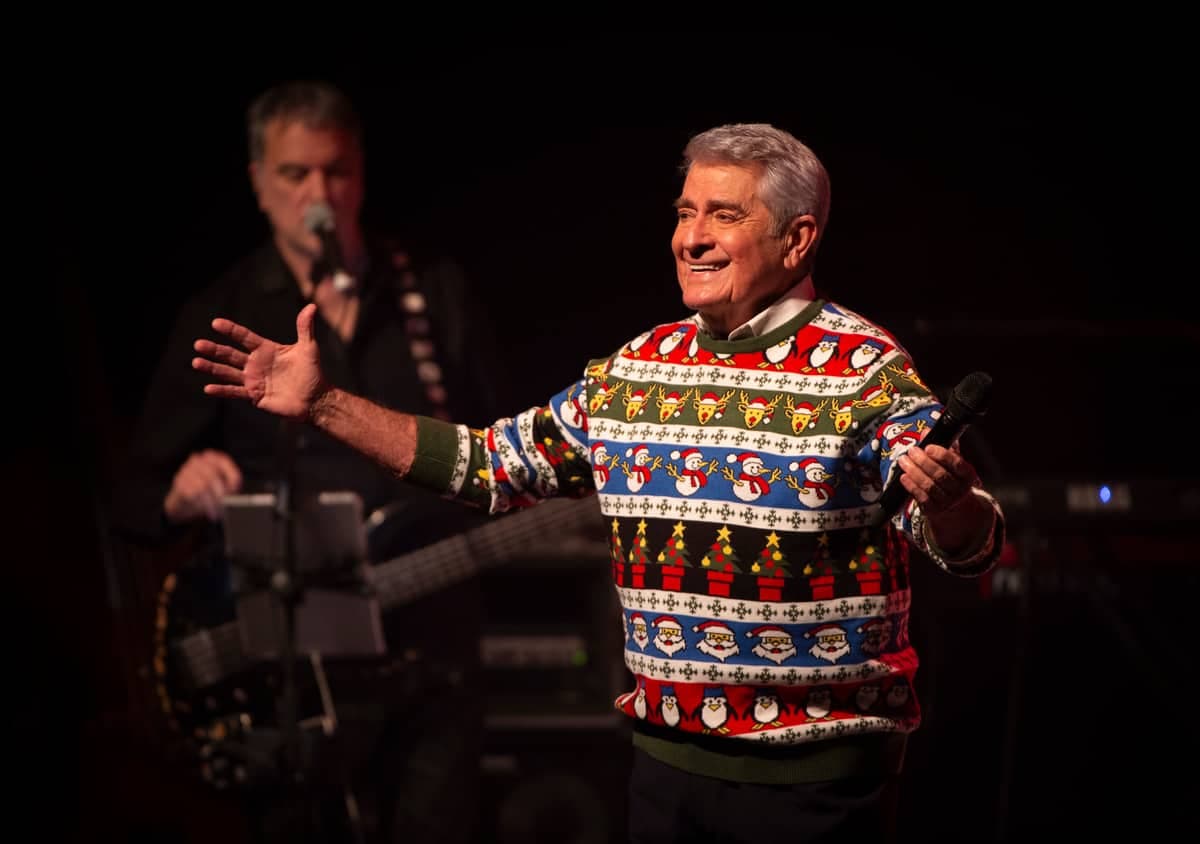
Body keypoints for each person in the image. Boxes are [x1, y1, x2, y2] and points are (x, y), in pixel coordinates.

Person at [189, 122, 1005, 843]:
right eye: (686, 212)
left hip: (818, 786)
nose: (692, 237)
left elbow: (962, 541)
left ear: (797, 241)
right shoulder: (634, 370)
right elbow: (489, 464)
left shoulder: (867, 369)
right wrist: (324, 402)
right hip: (664, 772)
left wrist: (952, 503)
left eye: (725, 215)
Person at [110, 79, 504, 843]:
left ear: (360, 175)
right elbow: (131, 496)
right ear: (258, 182)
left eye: (336, 171)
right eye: (295, 174)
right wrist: (177, 495)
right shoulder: (222, 312)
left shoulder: (435, 295)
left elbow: (505, 455)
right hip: (291, 671)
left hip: (435, 655)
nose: (318, 193)